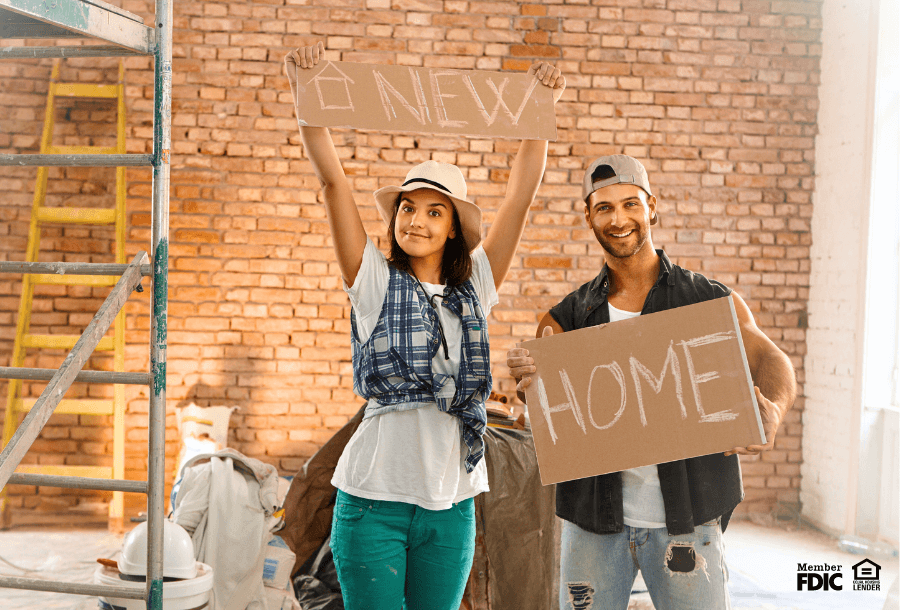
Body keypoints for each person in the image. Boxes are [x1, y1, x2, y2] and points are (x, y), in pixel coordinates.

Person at [286, 42, 565, 610]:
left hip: (453, 503)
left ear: (453, 228)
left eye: (433, 210)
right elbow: (335, 185)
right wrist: (305, 92)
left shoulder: (474, 289)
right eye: (408, 207)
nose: (416, 219)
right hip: (371, 503)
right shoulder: (373, 282)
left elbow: (519, 201)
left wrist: (542, 108)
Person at [507, 155, 797, 610]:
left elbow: (773, 360)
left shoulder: (707, 300)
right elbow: (536, 395)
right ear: (588, 216)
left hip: (689, 518)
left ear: (652, 207)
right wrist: (528, 379)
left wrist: (773, 411)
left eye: (630, 204)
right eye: (604, 208)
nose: (618, 219)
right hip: (593, 524)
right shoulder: (568, 317)